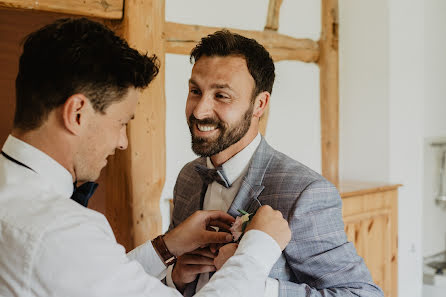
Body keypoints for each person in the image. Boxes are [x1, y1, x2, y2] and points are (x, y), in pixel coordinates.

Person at [0, 18, 292, 297]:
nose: (123, 142)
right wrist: (258, 248)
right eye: (121, 122)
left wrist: (166, 246)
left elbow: (89, 280)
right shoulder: (60, 231)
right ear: (77, 114)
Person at [167, 30, 384, 297]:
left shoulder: (305, 192)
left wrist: (257, 285)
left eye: (221, 95)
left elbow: (363, 294)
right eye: (195, 91)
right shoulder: (187, 177)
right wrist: (175, 277)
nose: (199, 110)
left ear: (260, 104)